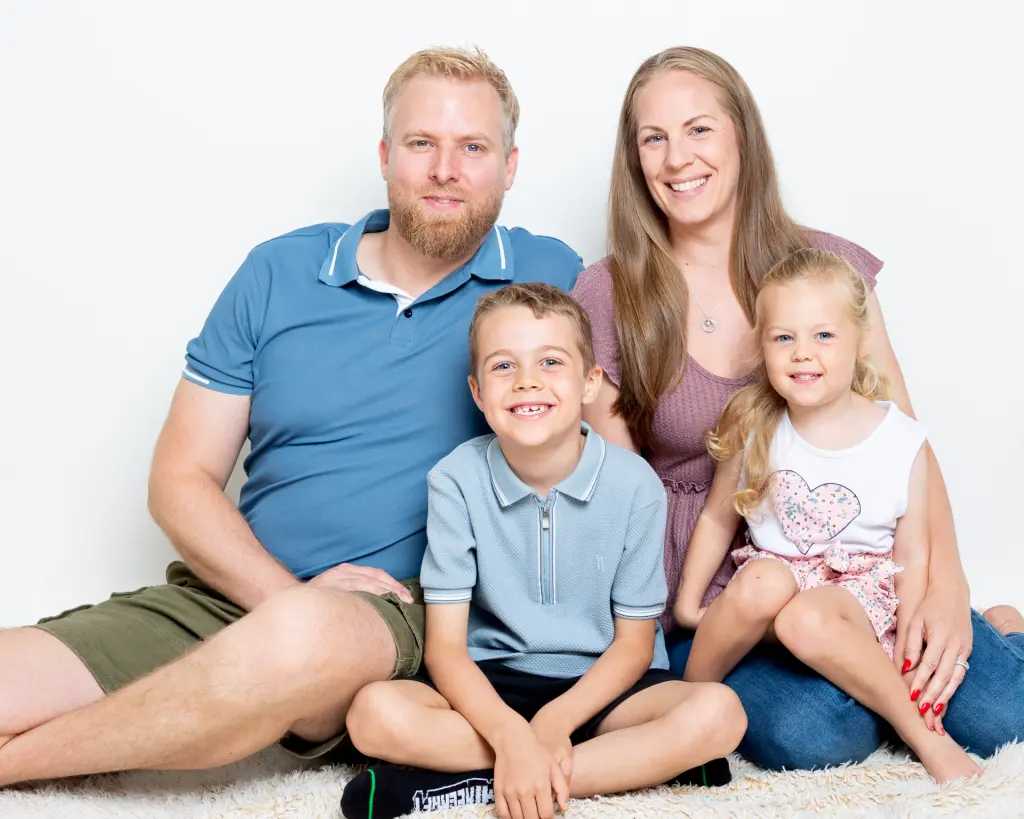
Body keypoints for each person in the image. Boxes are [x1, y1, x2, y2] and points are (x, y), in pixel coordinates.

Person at [0, 47, 585, 787]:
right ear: (383, 155)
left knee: (302, 634)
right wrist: (283, 595)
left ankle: (17, 765)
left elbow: (629, 427)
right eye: (421, 143)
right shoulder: (276, 274)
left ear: (509, 165)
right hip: (234, 595)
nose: (446, 168)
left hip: (405, 618)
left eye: (473, 147)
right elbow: (180, 479)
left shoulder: (552, 281)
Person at [571, 45, 1024, 770]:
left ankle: (995, 635)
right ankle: (892, 701)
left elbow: (906, 443)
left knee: (1003, 712)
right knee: (814, 739)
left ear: (742, 136)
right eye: (652, 138)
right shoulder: (607, 292)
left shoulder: (827, 269)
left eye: (698, 129)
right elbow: (618, 489)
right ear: (635, 159)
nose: (676, 157)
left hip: (862, 574)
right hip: (725, 595)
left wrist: (947, 584)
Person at [338, 283, 745, 819]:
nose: (527, 380)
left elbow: (632, 647)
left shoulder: (634, 485)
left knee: (720, 714)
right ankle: (623, 767)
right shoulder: (455, 480)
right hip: (494, 682)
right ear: (478, 392)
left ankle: (472, 785)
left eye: (551, 361)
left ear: (590, 384)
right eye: (503, 366)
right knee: (373, 714)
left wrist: (553, 726)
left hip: (604, 686)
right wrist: (511, 735)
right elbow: (446, 650)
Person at [674, 248, 980, 782]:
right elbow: (717, 519)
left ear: (861, 342)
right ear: (762, 346)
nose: (801, 354)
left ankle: (921, 732)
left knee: (805, 615)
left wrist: (906, 648)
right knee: (767, 583)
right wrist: (687, 605)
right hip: (769, 593)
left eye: (823, 336)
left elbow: (914, 555)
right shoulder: (755, 426)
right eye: (783, 338)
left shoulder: (900, 440)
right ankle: (688, 712)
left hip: (853, 600)